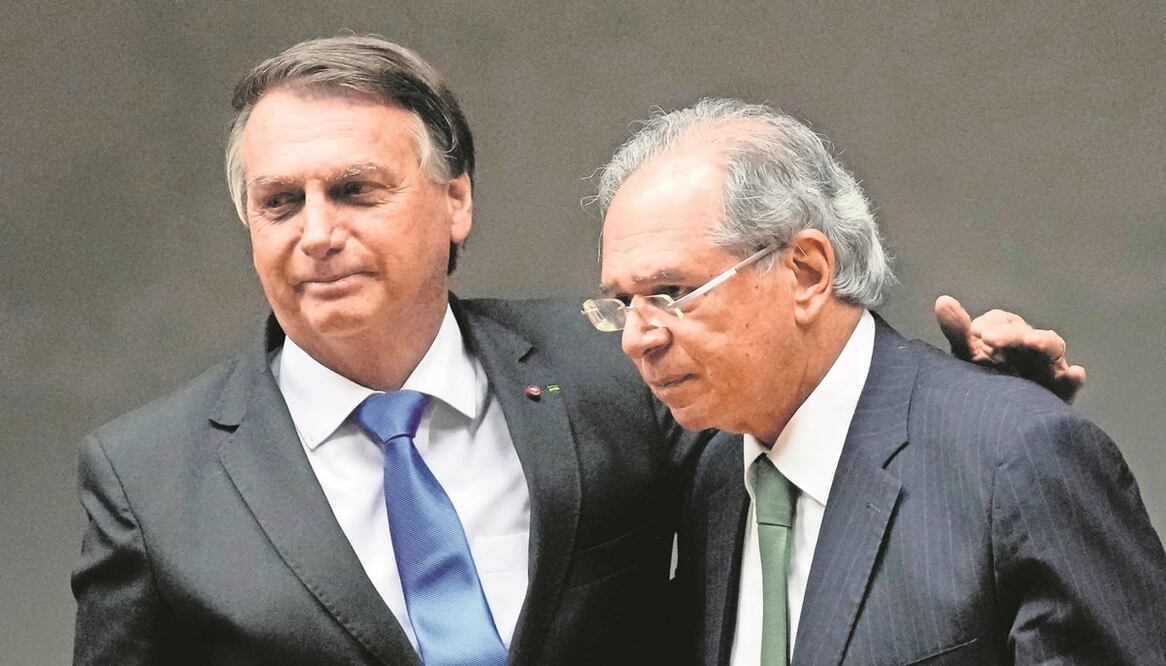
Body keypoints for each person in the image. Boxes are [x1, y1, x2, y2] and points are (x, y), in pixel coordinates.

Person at [72, 36, 1081, 665]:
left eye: (355, 190)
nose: (316, 231)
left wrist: (970, 413)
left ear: (455, 199)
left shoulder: (612, 363)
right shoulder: (149, 475)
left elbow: (811, 437)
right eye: (278, 202)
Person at [587, 98, 1166, 665]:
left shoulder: (1015, 456)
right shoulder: (713, 476)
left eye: (673, 293)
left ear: (808, 272)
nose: (637, 338)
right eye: (621, 303)